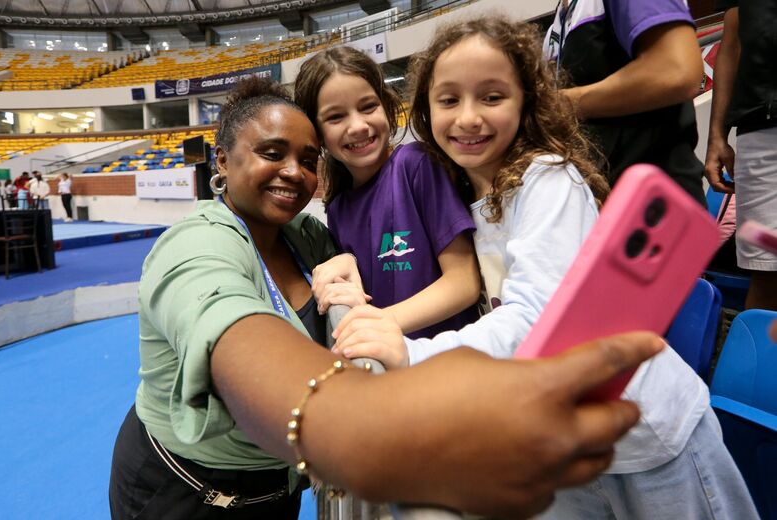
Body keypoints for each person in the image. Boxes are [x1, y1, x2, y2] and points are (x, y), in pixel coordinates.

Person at [107, 75, 664, 520]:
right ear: (222, 163)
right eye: (272, 153)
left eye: (307, 159)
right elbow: (236, 335)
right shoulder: (195, 244)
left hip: (279, 486)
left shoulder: (305, 235)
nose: (293, 172)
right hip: (185, 494)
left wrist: (344, 260)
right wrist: (366, 428)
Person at [332, 17, 758, 520]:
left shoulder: (547, 178)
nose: (468, 118)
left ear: (527, 103)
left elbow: (537, 320)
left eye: (492, 97)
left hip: (651, 437)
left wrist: (411, 353)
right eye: (449, 100)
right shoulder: (464, 197)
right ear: (426, 112)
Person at [294, 46, 481, 340]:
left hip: (450, 366)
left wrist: (377, 324)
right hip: (391, 373)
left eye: (368, 107)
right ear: (318, 136)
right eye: (335, 117)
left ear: (387, 107)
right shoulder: (339, 209)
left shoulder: (416, 165)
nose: (357, 125)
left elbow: (464, 281)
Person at [543, 0, 706, 206]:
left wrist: (555, 105)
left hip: (651, 205)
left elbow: (674, 70)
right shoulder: (560, 22)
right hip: (603, 204)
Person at [704, 1, 777, 311]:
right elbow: (731, 43)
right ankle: (756, 359)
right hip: (762, 130)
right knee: (766, 271)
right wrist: (717, 135)